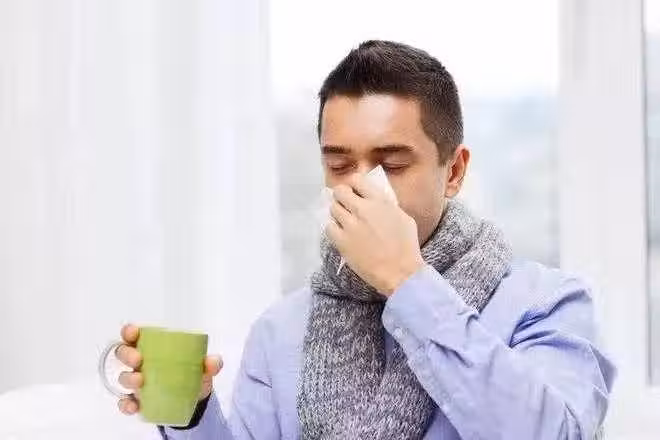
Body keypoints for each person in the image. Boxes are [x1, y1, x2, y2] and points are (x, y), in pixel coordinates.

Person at [113, 40, 615, 439]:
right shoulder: (282, 330)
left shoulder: (545, 304)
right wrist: (193, 415)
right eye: (339, 164)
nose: (363, 186)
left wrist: (408, 282)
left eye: (392, 164)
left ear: (454, 171)